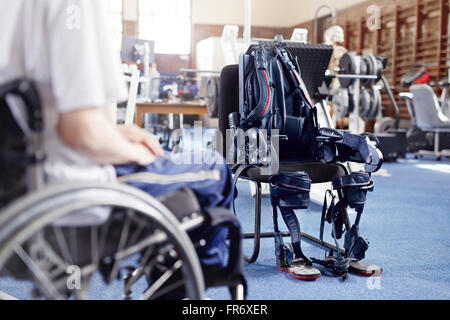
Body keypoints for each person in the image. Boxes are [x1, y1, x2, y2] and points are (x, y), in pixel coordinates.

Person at [0, 0, 232, 263]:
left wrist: (115, 131)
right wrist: (134, 151)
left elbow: (43, 114)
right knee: (215, 166)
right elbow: (81, 133)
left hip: (17, 185)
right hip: (72, 185)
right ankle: (195, 292)